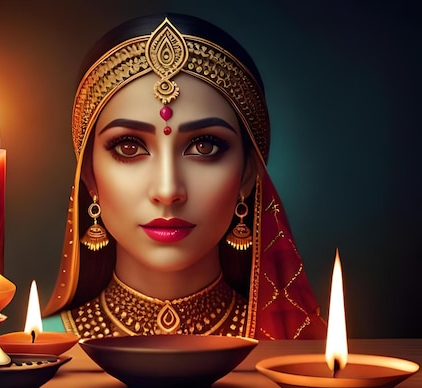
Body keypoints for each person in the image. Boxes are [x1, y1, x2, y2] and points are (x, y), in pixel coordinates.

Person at [42, 13, 326, 340]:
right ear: (89, 176)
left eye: (204, 147)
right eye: (130, 148)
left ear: (248, 173)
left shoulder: (285, 348)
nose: (168, 190)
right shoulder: (45, 347)